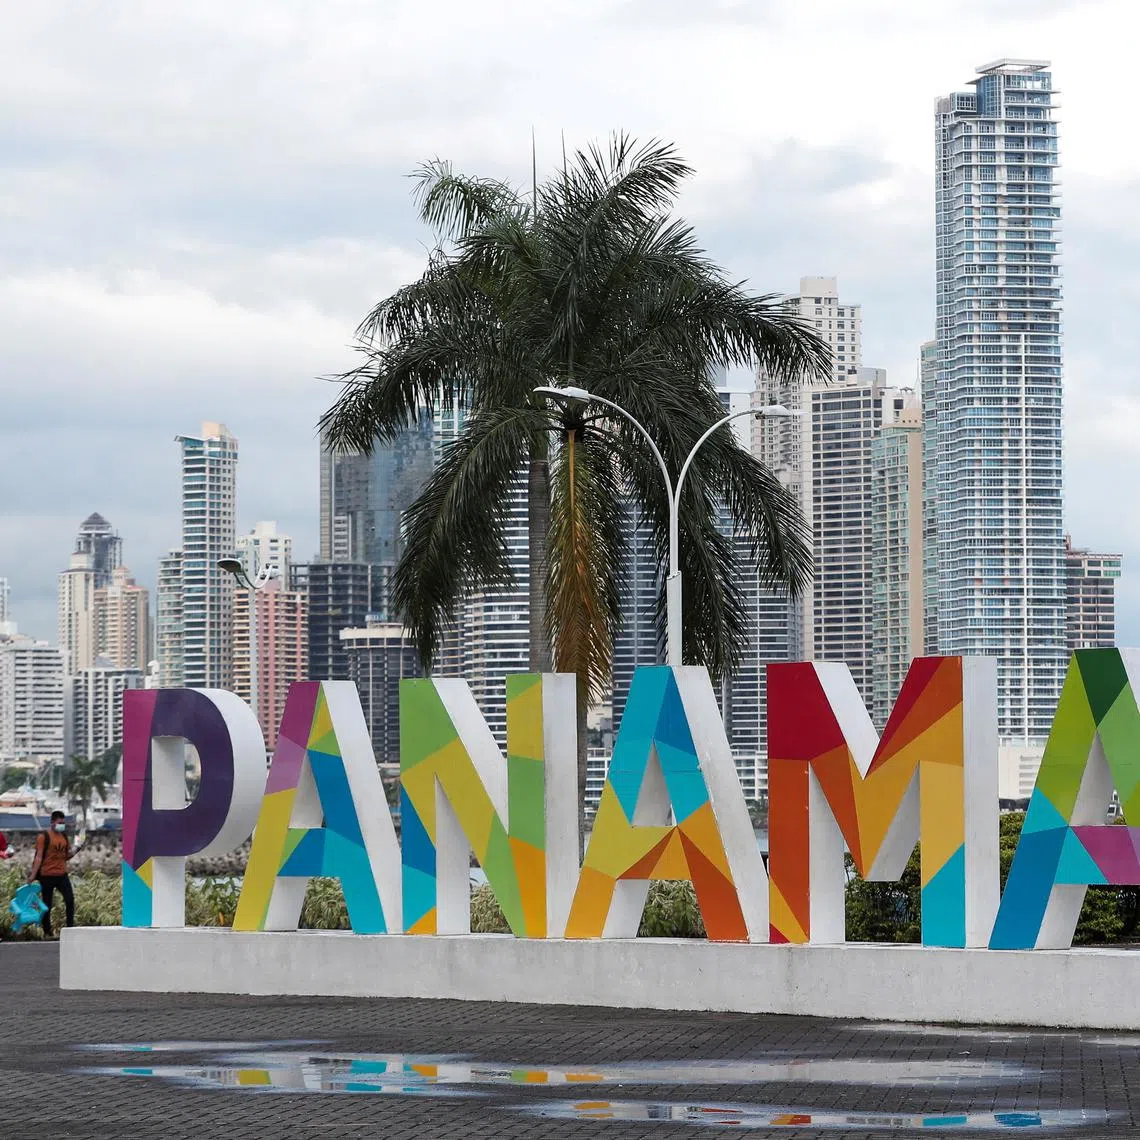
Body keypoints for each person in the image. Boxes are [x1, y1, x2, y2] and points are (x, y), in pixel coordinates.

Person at [28, 811, 78, 938]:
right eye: (59, 823)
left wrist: (77, 849)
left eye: (63, 823)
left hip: (62, 874)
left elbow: (66, 856)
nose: (62, 825)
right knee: (47, 905)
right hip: (46, 875)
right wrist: (33, 875)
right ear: (52, 822)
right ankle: (47, 932)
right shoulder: (43, 837)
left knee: (70, 900)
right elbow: (39, 857)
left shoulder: (64, 837)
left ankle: (70, 928)